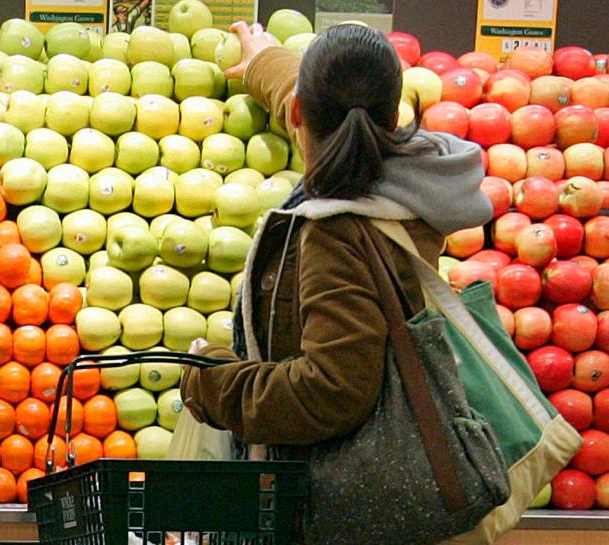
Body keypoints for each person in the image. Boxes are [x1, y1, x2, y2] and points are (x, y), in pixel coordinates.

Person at [180, 23, 493, 459]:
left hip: (351, 501)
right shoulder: (414, 176)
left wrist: (210, 379)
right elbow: (329, 114)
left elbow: (331, 391)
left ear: (296, 115)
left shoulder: (337, 233)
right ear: (391, 117)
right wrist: (263, 60)